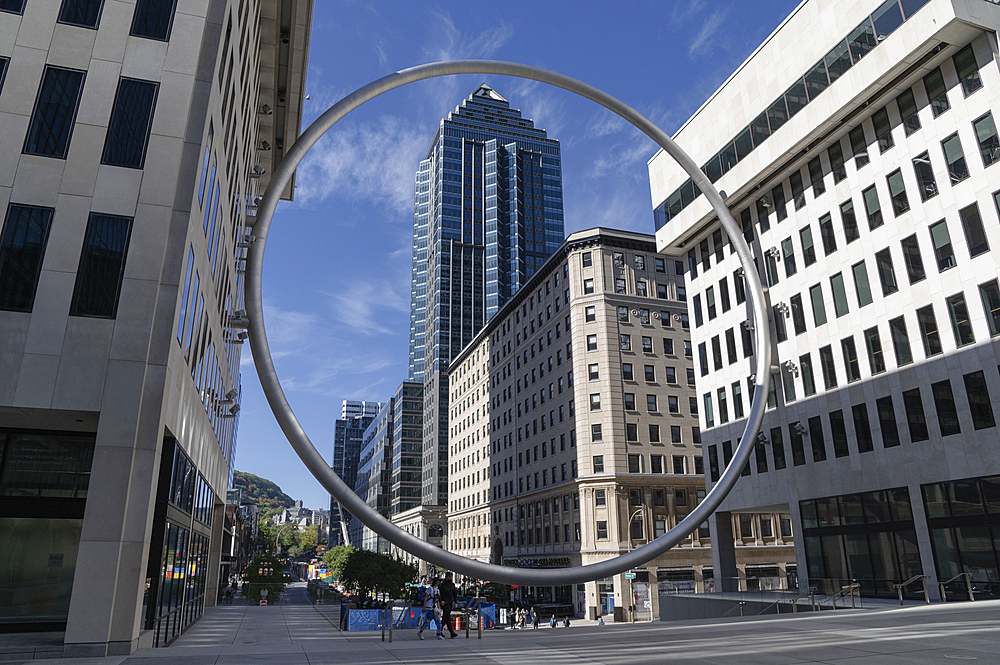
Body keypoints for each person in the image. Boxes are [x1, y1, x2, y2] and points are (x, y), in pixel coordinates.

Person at [439, 572, 459, 638]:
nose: (450, 578)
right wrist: (441, 600)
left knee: (445, 617)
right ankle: (451, 632)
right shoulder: (443, 585)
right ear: (446, 577)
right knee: (447, 617)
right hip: (445, 602)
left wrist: (455, 602)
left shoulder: (452, 585)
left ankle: (439, 631)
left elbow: (454, 594)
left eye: (451, 577)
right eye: (449, 576)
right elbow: (439, 594)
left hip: (450, 602)